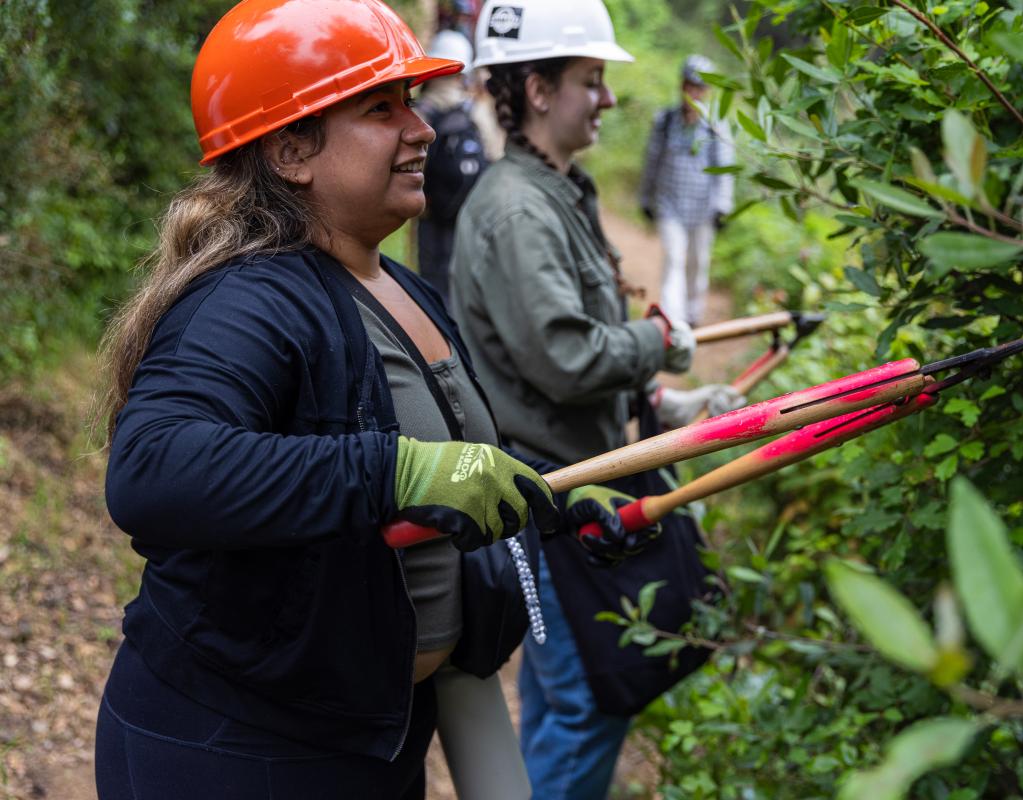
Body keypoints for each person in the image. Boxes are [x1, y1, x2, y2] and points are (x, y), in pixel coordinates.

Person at [88, 1, 605, 797]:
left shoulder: (397, 284)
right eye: (380, 108)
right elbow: (153, 470)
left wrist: (551, 496)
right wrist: (397, 473)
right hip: (240, 749)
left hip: (368, 736)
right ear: (292, 148)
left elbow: (434, 450)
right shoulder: (249, 300)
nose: (423, 129)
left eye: (410, 103)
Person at [451, 2, 745, 797]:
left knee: (563, 688)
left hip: (578, 480)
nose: (608, 99)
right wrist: (661, 343)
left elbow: (577, 341)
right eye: (592, 80)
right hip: (552, 499)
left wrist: (667, 403)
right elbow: (566, 356)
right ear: (539, 90)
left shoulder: (556, 192)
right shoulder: (518, 209)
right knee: (588, 697)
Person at [639, 54, 736, 327]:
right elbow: (652, 161)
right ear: (681, 86)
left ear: (707, 91)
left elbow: (725, 169)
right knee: (673, 260)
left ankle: (692, 316)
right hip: (670, 206)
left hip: (703, 209)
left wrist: (722, 206)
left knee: (697, 264)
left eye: (699, 87)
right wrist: (645, 199)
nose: (693, 92)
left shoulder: (717, 126)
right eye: (689, 85)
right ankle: (673, 320)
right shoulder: (665, 121)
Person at [415, 29, 492, 301]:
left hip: (431, 212)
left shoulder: (421, 112)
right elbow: (493, 156)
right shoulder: (475, 112)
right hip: (468, 211)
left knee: (431, 282)